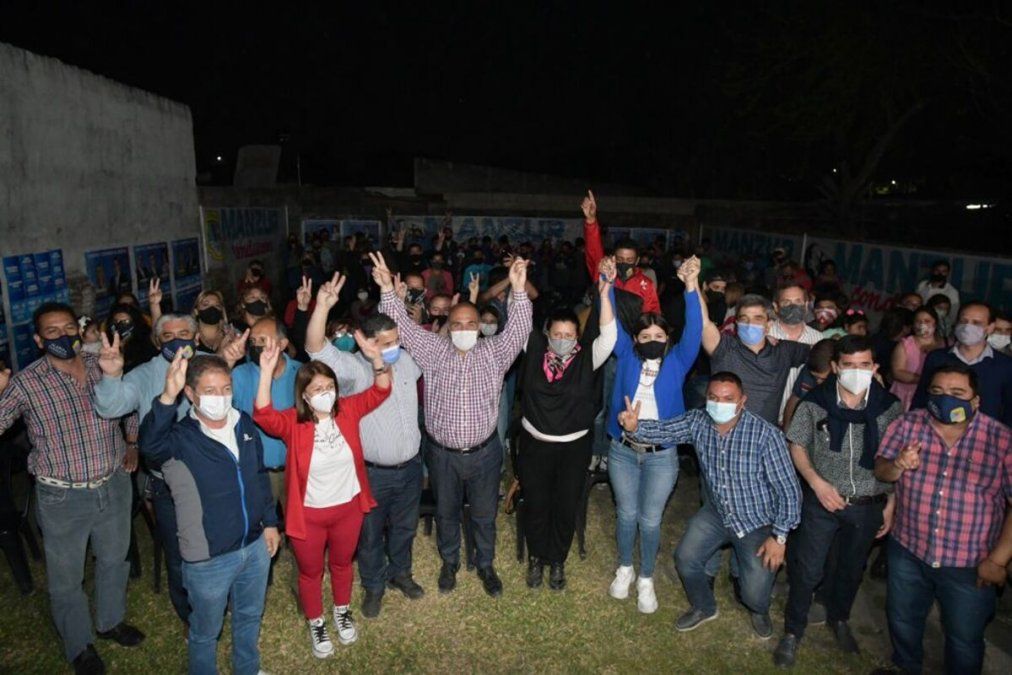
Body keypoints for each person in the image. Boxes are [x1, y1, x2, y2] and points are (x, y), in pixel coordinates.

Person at [375, 251, 533, 597]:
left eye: (470, 324)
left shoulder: (494, 353)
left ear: (480, 327)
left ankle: (486, 563)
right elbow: (402, 327)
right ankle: (450, 563)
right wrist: (387, 290)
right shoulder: (433, 350)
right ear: (449, 324)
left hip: (484, 453)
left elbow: (519, 329)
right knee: (446, 513)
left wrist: (519, 291)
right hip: (442, 454)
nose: (463, 329)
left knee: (484, 514)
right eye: (457, 324)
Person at [0, 303, 145, 674]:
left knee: (114, 559)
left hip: (113, 483)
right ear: (38, 340)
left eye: (68, 327)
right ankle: (79, 645)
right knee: (67, 579)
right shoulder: (26, 383)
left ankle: (110, 621)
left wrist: (131, 442)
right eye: (52, 331)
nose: (63, 335)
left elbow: (129, 406)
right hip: (63, 496)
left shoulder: (102, 363)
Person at [618, 372, 801, 639]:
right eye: (713, 398)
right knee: (685, 558)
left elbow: (790, 491)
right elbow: (666, 430)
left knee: (753, 593)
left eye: (728, 399)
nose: (719, 404)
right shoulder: (698, 421)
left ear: (742, 401)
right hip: (717, 512)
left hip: (757, 521)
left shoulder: (766, 435)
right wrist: (635, 427)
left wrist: (779, 537)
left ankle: (759, 608)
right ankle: (704, 607)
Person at [140, 353, 280, 675]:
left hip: (254, 546)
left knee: (249, 616)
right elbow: (149, 446)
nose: (221, 397)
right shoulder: (179, 439)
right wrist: (167, 397)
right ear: (190, 393)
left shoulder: (244, 423)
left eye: (226, 389)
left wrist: (270, 523)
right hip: (208, 559)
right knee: (205, 632)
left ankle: (247, 669)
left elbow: (258, 476)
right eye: (210, 390)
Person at [254, 332, 390, 657]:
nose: (325, 393)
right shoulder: (293, 422)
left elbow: (381, 389)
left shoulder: (349, 411)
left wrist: (377, 359)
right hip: (309, 516)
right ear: (304, 395)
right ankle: (316, 621)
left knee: (342, 564)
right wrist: (265, 372)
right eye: (317, 389)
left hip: (348, 510)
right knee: (311, 572)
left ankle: (342, 610)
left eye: (330, 387)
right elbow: (263, 415)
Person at [773, 336, 902, 668]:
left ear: (875, 367)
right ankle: (793, 630)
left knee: (851, 568)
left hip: (868, 502)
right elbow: (797, 444)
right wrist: (816, 483)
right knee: (807, 568)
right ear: (835, 367)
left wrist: (891, 502)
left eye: (864, 365)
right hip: (822, 499)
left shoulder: (890, 407)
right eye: (848, 365)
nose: (856, 372)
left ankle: (839, 618)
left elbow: (893, 458)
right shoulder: (815, 402)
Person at [874, 364, 1011, 675]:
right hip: (909, 547)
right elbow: (882, 471)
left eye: (957, 393)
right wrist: (898, 464)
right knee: (903, 619)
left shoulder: (1000, 439)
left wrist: (998, 560)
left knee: (964, 638)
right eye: (937, 391)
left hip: (969, 561)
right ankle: (905, 666)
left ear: (976, 400)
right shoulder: (908, 424)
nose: (946, 398)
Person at [305, 273, 426, 619]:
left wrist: (398, 300)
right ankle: (373, 586)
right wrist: (321, 308)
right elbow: (315, 348)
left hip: (411, 467)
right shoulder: (354, 370)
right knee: (370, 533)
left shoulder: (407, 361)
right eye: (387, 342)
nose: (395, 346)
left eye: (397, 340)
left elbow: (429, 339)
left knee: (405, 527)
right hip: (373, 473)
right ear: (367, 343)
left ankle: (400, 573)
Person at [606, 257, 703, 614]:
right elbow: (611, 323)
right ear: (635, 340)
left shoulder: (678, 361)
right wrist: (608, 284)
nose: (651, 341)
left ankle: (645, 577)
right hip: (623, 450)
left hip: (662, 455)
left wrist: (691, 286)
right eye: (645, 336)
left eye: (658, 336)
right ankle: (625, 568)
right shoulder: (627, 357)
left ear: (668, 340)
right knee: (626, 514)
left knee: (650, 519)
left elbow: (695, 329)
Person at [93, 313, 202, 631]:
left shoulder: (210, 364)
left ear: (196, 339)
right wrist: (111, 376)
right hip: (168, 484)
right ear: (157, 342)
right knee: (180, 554)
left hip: (212, 476)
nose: (177, 341)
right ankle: (190, 615)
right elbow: (110, 408)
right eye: (168, 336)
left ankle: (220, 599)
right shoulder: (142, 376)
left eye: (184, 334)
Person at [518, 256, 617, 590]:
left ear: (578, 336)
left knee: (564, 505)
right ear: (547, 334)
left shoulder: (589, 357)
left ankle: (557, 559)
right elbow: (519, 324)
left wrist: (605, 295)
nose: (562, 338)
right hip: (535, 445)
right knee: (536, 503)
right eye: (557, 333)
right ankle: (537, 557)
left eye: (569, 334)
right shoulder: (534, 350)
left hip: (574, 448)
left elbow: (609, 335)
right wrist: (518, 288)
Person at [702, 294, 810, 425]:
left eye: (757, 319)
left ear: (768, 325)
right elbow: (704, 323)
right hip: (722, 432)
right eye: (744, 319)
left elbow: (824, 352)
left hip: (765, 434)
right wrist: (692, 285)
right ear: (736, 323)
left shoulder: (783, 350)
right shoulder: (725, 347)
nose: (750, 324)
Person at [228, 317, 301, 505]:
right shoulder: (240, 375)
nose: (256, 346)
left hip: (296, 471)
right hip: (258, 474)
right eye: (252, 341)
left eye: (262, 340)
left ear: (282, 344)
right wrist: (227, 362)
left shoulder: (301, 373)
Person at [912, 301, 1012, 427]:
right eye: (964, 321)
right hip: (937, 430)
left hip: (984, 434)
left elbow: (1009, 409)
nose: (968, 327)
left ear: (990, 327)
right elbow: (921, 397)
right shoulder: (937, 358)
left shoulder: (1006, 365)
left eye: (976, 323)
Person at [581, 191, 661, 315]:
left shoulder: (645, 284)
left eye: (629, 260)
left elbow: (652, 314)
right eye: (620, 259)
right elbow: (593, 251)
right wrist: (591, 221)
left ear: (637, 261)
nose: (624, 263)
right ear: (614, 258)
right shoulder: (603, 275)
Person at [889, 307, 945, 411]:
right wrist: (925, 380)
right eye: (918, 321)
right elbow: (897, 372)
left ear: (935, 323)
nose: (922, 324)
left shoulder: (945, 344)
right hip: (906, 395)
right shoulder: (905, 344)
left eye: (927, 321)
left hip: (933, 396)